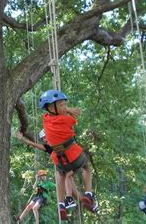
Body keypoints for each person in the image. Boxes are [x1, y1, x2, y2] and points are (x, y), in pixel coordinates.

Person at [39, 89, 98, 220]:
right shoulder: (66, 120)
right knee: (87, 167)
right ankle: (88, 194)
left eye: (64, 104)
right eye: (61, 104)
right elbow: (72, 120)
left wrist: (65, 108)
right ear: (50, 107)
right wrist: (70, 110)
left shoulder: (46, 119)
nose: (64, 106)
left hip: (58, 157)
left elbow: (59, 111)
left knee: (60, 175)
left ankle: (61, 204)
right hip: (73, 153)